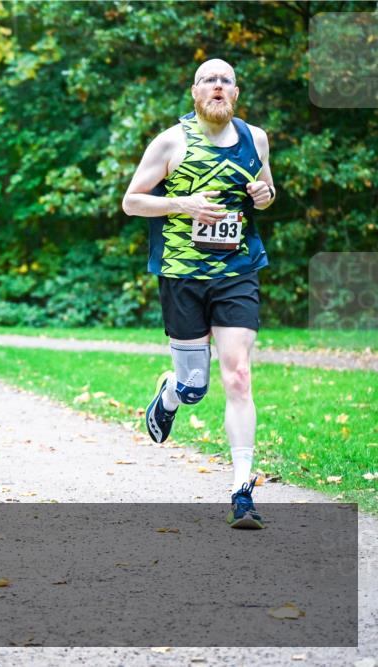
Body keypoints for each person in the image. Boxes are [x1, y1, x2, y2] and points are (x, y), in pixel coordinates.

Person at [121, 59, 276, 528]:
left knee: (238, 375)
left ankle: (242, 490)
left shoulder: (256, 138)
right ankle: (171, 393)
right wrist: (180, 203)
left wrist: (266, 195)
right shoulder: (172, 141)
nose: (217, 86)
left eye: (225, 80)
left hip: (237, 270)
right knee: (194, 386)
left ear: (235, 93)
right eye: (209, 80)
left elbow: (266, 190)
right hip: (181, 273)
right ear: (194, 92)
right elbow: (131, 201)